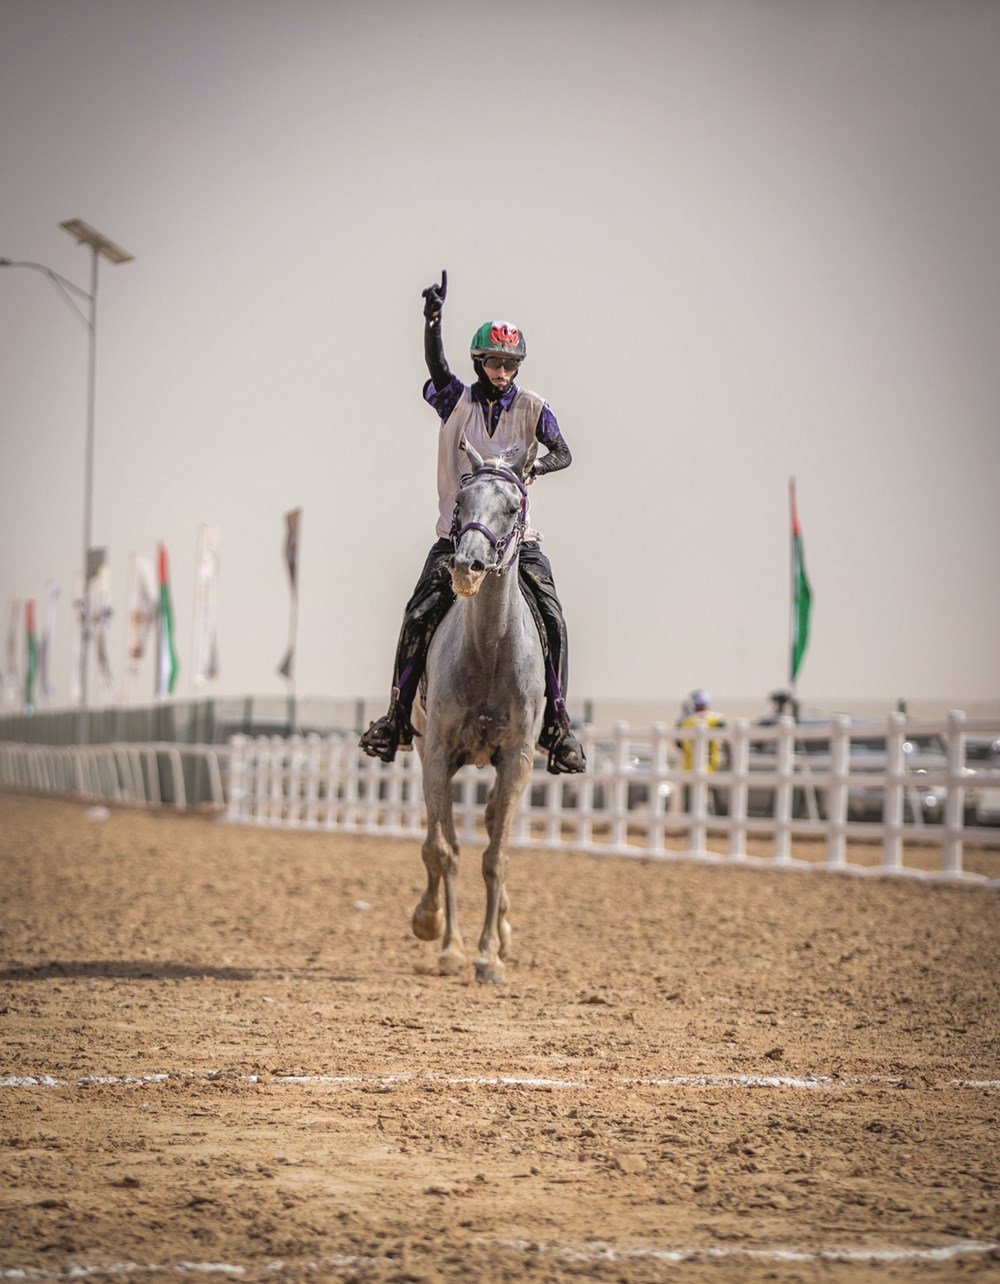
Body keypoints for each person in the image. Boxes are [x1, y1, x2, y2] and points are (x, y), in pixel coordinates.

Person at [360, 270, 585, 775]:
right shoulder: (455, 401)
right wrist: (432, 320)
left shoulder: (534, 409)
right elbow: (435, 366)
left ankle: (558, 726)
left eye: (509, 363)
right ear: (479, 362)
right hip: (456, 541)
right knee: (416, 615)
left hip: (516, 542)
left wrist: (537, 467)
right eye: (493, 362)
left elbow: (565, 452)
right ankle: (396, 716)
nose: (501, 370)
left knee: (553, 619)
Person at [675, 689, 729, 813]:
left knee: (690, 801)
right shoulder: (717, 719)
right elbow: (727, 740)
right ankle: (718, 825)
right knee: (716, 800)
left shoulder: (686, 721)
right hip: (713, 765)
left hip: (690, 765)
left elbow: (678, 743)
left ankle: (688, 825)